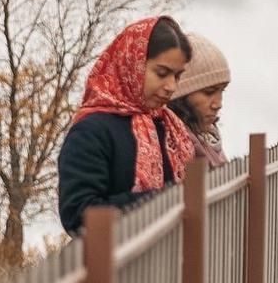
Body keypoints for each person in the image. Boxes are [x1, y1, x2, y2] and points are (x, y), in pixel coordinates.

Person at [56, 15, 197, 234]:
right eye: (162, 73)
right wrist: (161, 201)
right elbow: (78, 215)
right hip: (115, 265)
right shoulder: (92, 131)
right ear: (133, 64)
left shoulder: (169, 128)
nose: (171, 87)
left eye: (177, 76)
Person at [168, 31, 231, 167]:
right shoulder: (169, 145)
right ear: (181, 95)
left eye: (222, 90)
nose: (218, 104)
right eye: (209, 92)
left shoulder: (209, 136)